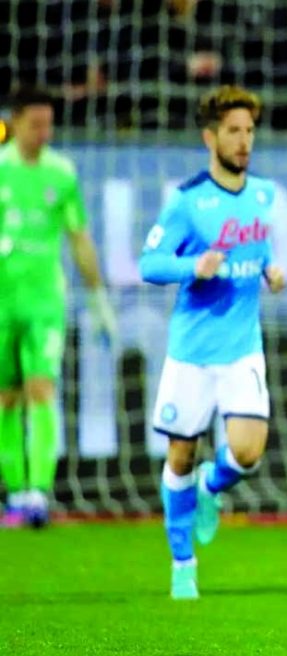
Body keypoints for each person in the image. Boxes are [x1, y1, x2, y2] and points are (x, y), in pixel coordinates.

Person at [139, 85, 285, 600]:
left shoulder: (264, 194)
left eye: (249, 131)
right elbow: (149, 262)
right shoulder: (187, 201)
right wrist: (190, 267)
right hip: (192, 352)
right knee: (180, 455)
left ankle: (210, 488)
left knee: (246, 453)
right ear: (210, 137)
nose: (244, 141)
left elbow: (256, 247)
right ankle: (183, 563)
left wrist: (269, 269)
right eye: (233, 132)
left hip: (242, 346)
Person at [0, 86, 118, 529]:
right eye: (35, 125)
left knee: (41, 389)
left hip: (45, 300)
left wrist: (98, 295)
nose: (43, 133)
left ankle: (37, 494)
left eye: (48, 124)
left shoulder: (62, 173)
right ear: (15, 123)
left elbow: (79, 237)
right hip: (2, 300)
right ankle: (14, 492)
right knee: (6, 398)